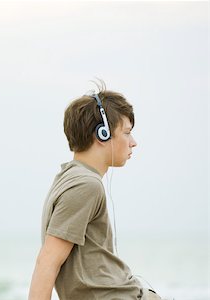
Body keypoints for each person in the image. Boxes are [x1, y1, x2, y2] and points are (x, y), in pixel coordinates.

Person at [28, 81, 163, 300]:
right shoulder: (85, 185)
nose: (133, 142)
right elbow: (48, 260)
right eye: (127, 133)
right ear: (102, 134)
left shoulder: (70, 177)